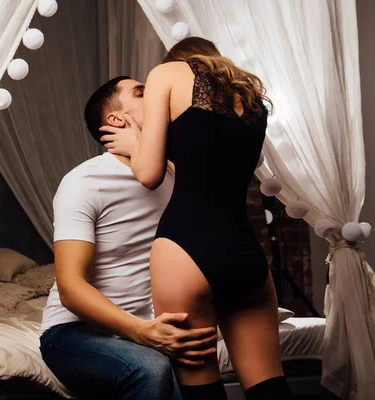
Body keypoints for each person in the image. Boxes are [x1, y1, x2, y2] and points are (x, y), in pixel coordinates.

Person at [99, 37, 292, 399]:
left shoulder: (166, 74)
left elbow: (149, 174)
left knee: (202, 391)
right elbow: (207, 160)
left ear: (178, 60)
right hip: (246, 255)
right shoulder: (251, 98)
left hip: (185, 250)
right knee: (270, 388)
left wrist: (135, 147)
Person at [39, 76, 219, 400]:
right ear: (116, 119)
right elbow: (70, 287)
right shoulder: (84, 182)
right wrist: (142, 332)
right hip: (72, 333)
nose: (155, 96)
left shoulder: (176, 175)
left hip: (149, 330)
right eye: (141, 93)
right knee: (151, 368)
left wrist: (141, 148)